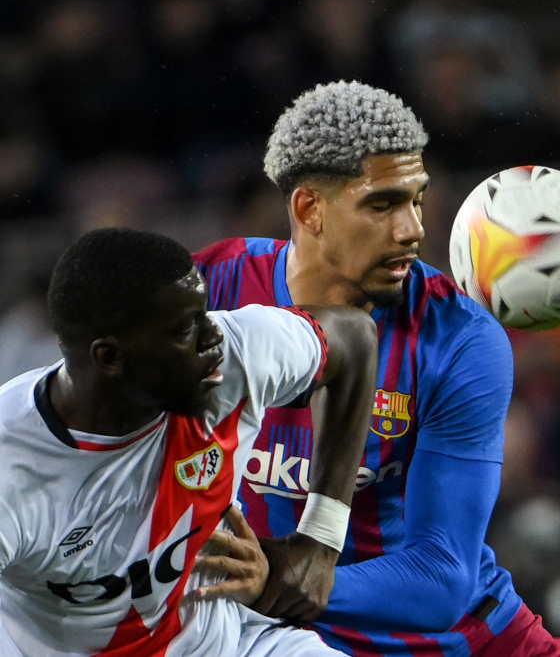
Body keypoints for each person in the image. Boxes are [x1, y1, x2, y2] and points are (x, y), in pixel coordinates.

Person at [193, 80, 560, 655]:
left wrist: (275, 579)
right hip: (283, 634)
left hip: (458, 640)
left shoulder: (460, 339)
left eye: (417, 200)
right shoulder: (215, 289)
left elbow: (443, 575)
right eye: (383, 205)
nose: (413, 230)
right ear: (309, 209)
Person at [0, 227, 378, 656]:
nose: (213, 336)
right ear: (109, 357)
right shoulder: (12, 466)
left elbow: (354, 336)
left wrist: (321, 538)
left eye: (205, 314)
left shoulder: (231, 360)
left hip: (235, 644)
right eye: (185, 329)